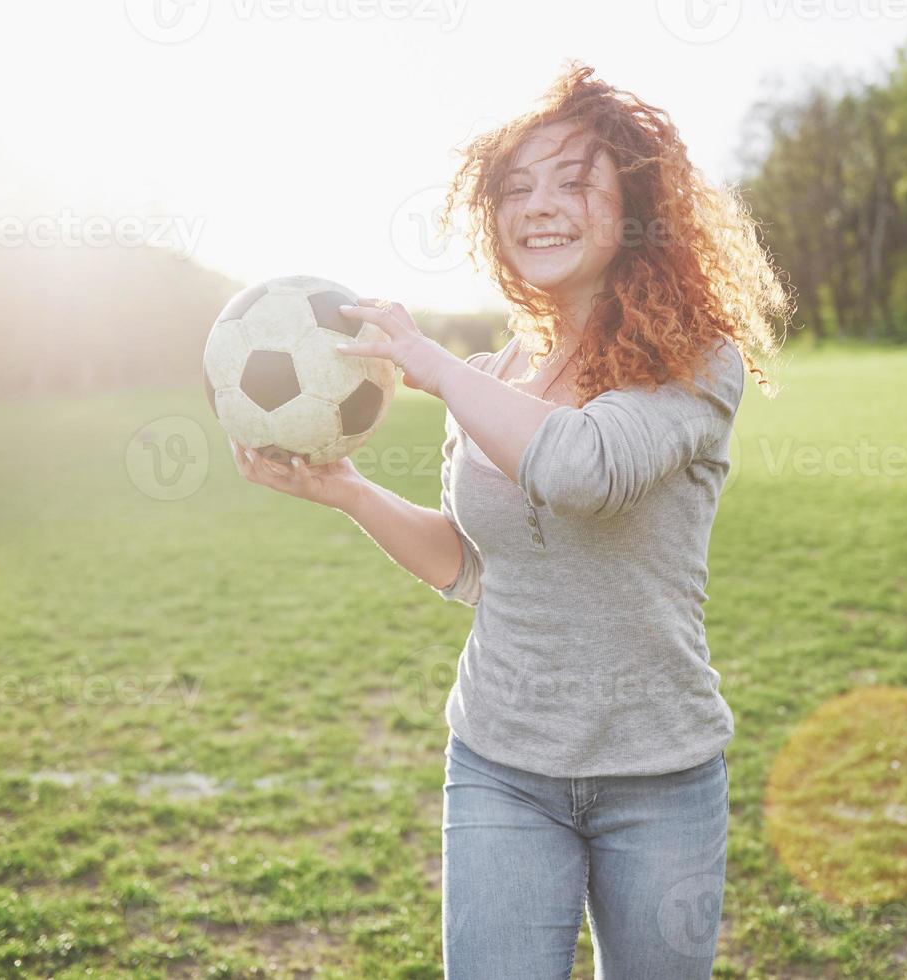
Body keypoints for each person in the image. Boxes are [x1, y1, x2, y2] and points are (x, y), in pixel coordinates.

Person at [229, 62, 790, 978]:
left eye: (574, 181)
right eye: (515, 188)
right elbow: (476, 566)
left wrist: (431, 364)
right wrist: (349, 492)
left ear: (636, 204)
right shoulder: (492, 381)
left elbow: (581, 469)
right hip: (499, 762)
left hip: (659, 775)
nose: (539, 206)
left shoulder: (694, 364)